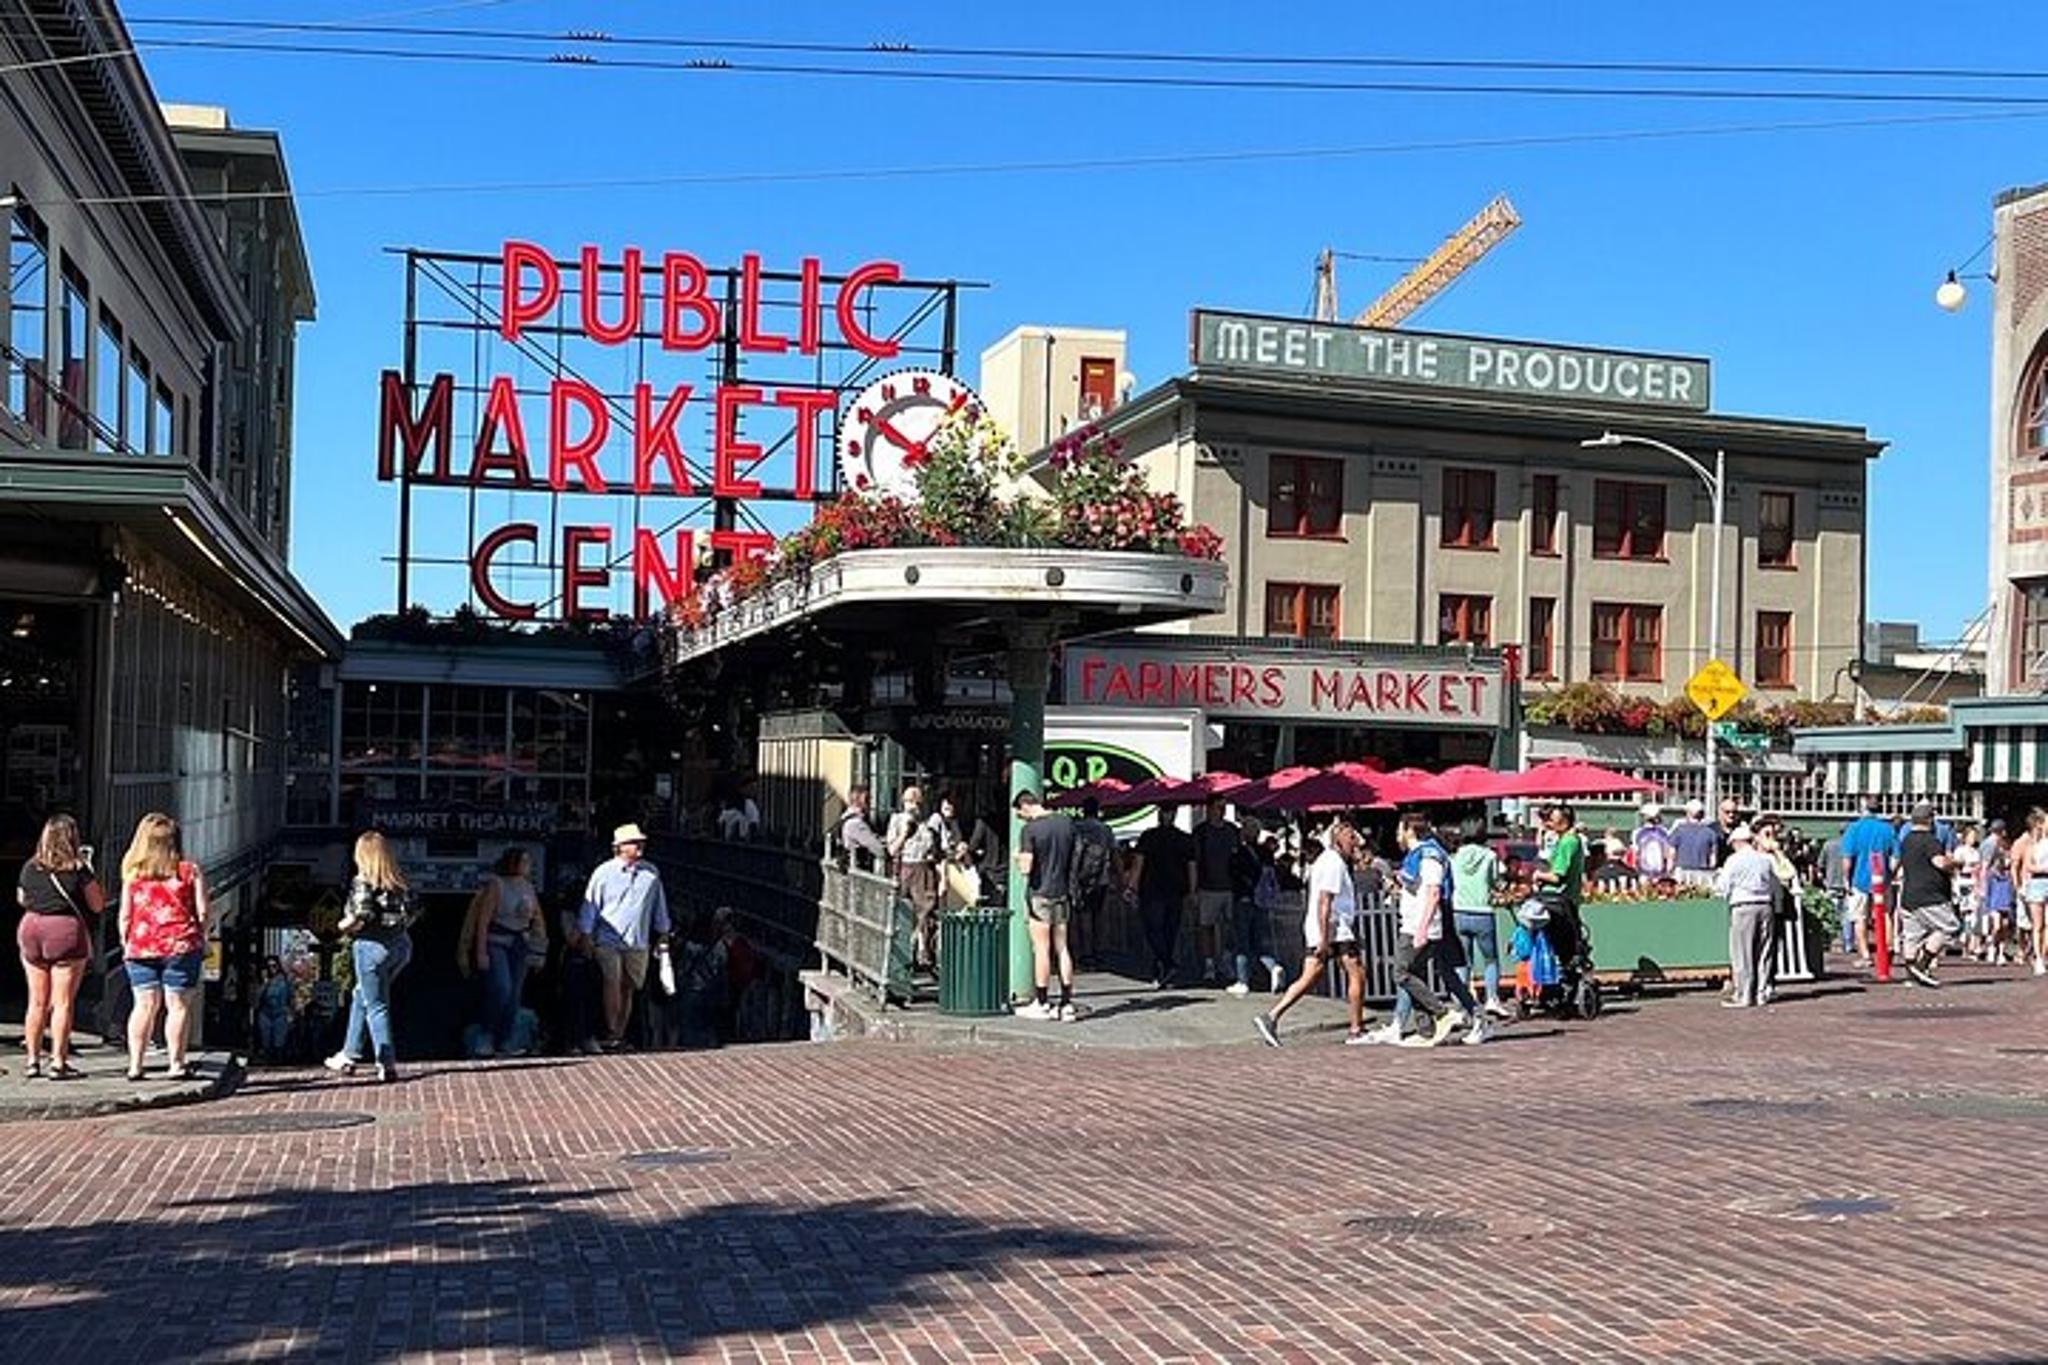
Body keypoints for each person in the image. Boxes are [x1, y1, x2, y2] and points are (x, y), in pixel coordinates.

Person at [1255, 818, 1368, 1047]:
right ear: (1337, 840)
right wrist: (1324, 939)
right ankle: (1356, 1029)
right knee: (1356, 973)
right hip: (1334, 928)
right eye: (1350, 838)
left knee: (1310, 977)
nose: (1355, 843)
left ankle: (1272, 1017)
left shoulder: (1329, 861)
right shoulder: (1333, 863)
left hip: (1330, 927)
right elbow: (1324, 901)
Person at [119, 812, 209, 1082]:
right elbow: (203, 911)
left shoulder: (134, 875)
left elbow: (125, 915)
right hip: (180, 945)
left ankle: (135, 1065)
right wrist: (201, 936)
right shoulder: (189, 871)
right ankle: (176, 1063)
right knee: (178, 1006)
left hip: (140, 946)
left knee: (143, 1005)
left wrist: (127, 942)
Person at [325, 830, 419, 1082]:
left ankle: (386, 1062)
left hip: (370, 946)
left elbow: (362, 914)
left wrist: (342, 926)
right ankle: (349, 1053)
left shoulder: (363, 880)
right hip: (400, 945)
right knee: (361, 996)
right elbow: (413, 912)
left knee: (377, 1005)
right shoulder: (398, 880)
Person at [16, 813, 104, 1079]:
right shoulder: (79, 870)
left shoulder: (31, 867)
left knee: (36, 1001)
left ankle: (32, 1061)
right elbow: (97, 905)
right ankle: (58, 1062)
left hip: (31, 928)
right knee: (62, 1003)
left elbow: (22, 898)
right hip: (64, 932)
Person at [576, 823, 672, 1049]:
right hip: (607, 939)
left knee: (629, 986)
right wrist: (586, 934)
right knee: (612, 980)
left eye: (640, 842)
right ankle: (610, 1028)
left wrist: (663, 932)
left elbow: (658, 905)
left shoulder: (651, 873)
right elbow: (591, 905)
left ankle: (617, 1033)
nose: (639, 846)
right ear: (619, 847)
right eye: (633, 843)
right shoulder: (603, 873)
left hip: (637, 940)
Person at [1387, 813, 1464, 1049]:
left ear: (1410, 830)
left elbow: (1433, 893)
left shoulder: (1429, 856)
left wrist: (1422, 928)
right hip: (1412, 922)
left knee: (1401, 973)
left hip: (1419, 925)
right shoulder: (1415, 857)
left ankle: (1442, 1013)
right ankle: (1425, 1030)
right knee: (1415, 973)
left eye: (1400, 829)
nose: (1397, 835)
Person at [461, 847, 547, 1058]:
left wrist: (539, 950)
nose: (528, 866)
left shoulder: (528, 887)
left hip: (520, 943)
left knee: (515, 994)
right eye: (524, 862)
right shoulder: (496, 885)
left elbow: (537, 920)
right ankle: (486, 1033)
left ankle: (506, 1039)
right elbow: (483, 920)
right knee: (502, 987)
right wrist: (480, 951)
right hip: (497, 941)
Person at [1012, 790, 1078, 1022]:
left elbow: (1026, 868)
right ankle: (1067, 1003)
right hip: (1062, 892)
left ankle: (1041, 1002)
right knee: (1062, 948)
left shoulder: (1030, 830)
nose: (1022, 819)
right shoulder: (1066, 823)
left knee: (1041, 948)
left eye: (1020, 814)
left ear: (1024, 806)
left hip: (1040, 894)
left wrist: (1017, 856)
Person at [1130, 804, 1196, 988]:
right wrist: (1192, 890)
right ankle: (1163, 967)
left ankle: (1165, 964)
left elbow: (1138, 863)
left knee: (1153, 930)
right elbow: (1192, 867)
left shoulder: (1148, 836)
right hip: (1175, 890)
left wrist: (1132, 886)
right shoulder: (1184, 838)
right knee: (1169, 931)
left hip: (1152, 890)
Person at [1450, 823, 1511, 1020]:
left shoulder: (1455, 856)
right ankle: (1492, 998)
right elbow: (1494, 882)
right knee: (1490, 959)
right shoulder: (1489, 855)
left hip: (1459, 911)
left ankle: (1460, 1006)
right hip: (1483, 912)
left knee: (1462, 962)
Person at [1896, 801, 1960, 989]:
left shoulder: (1906, 841)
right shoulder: (1930, 840)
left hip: (1908, 894)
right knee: (1950, 927)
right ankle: (1922, 965)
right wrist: (1955, 863)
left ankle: (1910, 975)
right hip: (1930, 895)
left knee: (1912, 935)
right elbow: (1939, 862)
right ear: (1930, 820)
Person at [1716, 824, 1779, 1008]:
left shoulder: (1733, 860)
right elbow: (1774, 884)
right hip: (1766, 905)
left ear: (1737, 842)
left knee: (1742, 953)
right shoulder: (1765, 860)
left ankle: (1744, 995)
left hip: (1743, 905)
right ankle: (1761, 993)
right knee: (1764, 952)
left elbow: (1722, 887)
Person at [1840, 796, 1901, 969]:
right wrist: (1890, 875)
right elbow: (1896, 857)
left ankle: (1865, 955)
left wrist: (1846, 879)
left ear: (1862, 808)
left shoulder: (1854, 829)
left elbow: (1847, 859)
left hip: (1858, 880)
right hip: (1883, 880)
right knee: (1886, 914)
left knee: (1859, 918)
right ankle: (1887, 949)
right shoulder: (1888, 829)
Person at [886, 785, 942, 973]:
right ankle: (900, 955)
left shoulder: (929, 823)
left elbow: (935, 850)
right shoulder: (897, 820)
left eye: (917, 802)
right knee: (900, 909)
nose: (913, 806)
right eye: (909, 801)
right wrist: (904, 833)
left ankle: (924, 954)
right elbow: (891, 849)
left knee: (925, 911)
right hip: (904, 866)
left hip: (923, 867)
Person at [1192, 796, 1242, 985]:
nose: (1221, 811)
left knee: (1231, 926)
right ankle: (1209, 964)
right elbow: (1195, 862)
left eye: (1223, 807)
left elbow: (1238, 857)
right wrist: (1194, 888)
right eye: (1218, 807)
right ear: (1209, 809)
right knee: (1206, 927)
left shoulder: (1232, 830)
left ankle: (1226, 960)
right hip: (1208, 886)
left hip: (1230, 886)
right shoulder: (1201, 832)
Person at [1067, 797, 1118, 970]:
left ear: (1083, 810)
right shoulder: (1105, 829)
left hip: (1078, 878)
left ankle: (1084, 953)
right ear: (1098, 810)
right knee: (1098, 916)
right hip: (1101, 879)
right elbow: (1114, 854)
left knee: (1082, 916)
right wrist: (1120, 877)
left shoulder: (1075, 828)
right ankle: (1098, 951)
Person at [1533, 803, 1585, 914]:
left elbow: (1557, 877)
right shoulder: (1569, 839)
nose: (1548, 824)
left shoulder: (1567, 842)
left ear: (1564, 822)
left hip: (1558, 901)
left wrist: (1538, 875)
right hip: (1564, 900)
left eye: (1552, 820)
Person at [1982, 819, 2017, 964]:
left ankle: (2001, 952)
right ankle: (1992, 946)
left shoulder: (2006, 847)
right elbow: (1985, 867)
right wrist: (1982, 887)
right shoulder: (1990, 845)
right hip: (1995, 886)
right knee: (1997, 924)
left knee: (2005, 924)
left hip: (2006, 885)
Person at [2018, 809, 2048, 977]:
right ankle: (2038, 958)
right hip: (2037, 883)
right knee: (2038, 924)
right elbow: (2028, 866)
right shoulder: (2033, 845)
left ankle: (2043, 954)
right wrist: (2043, 868)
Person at [1672, 800, 1722, 887]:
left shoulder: (1679, 831)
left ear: (1688, 813)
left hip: (1682, 872)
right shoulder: (1710, 833)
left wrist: (1670, 870)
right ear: (1702, 814)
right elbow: (1713, 858)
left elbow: (1672, 853)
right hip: (1703, 873)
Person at [836, 786, 886, 871]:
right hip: (858, 869)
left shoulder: (845, 817)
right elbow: (877, 849)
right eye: (868, 799)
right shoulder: (856, 823)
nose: (871, 803)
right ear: (860, 801)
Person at [254, 956, 294, 1061]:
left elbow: (291, 997)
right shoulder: (264, 981)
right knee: (266, 1041)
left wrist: (291, 1013)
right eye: (269, 966)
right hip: (265, 1012)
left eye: (274, 966)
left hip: (280, 1013)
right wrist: (264, 983)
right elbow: (256, 998)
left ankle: (278, 1061)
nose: (271, 969)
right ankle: (267, 1060)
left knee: (279, 1042)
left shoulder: (285, 980)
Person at [1632, 803, 1677, 884]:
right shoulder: (1664, 832)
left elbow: (1635, 853)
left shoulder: (1638, 832)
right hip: (1660, 871)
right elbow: (1669, 853)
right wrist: (1669, 869)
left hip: (1644, 871)